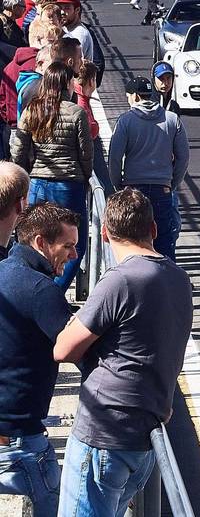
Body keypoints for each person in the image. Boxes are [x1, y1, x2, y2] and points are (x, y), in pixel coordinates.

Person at [53, 188, 193, 517]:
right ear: (153, 229)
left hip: (104, 431)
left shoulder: (120, 280)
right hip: (144, 435)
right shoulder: (179, 279)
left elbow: (63, 349)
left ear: (104, 233)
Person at [0, 186, 76, 517]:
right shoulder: (41, 291)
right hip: (21, 444)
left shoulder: (4, 273)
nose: (73, 255)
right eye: (68, 246)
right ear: (41, 243)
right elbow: (82, 353)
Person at [10, 62, 92, 290]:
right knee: (75, 244)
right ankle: (55, 291)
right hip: (69, 184)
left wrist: (24, 176)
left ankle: (33, 289)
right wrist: (85, 177)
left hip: (37, 182)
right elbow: (86, 154)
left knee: (34, 240)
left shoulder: (32, 110)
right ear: (66, 83)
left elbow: (18, 149)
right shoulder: (76, 113)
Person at [106, 77, 188, 261]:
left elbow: (114, 158)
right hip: (162, 189)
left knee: (134, 239)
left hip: (134, 189)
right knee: (164, 240)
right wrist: (171, 183)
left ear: (135, 96)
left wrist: (118, 185)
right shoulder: (171, 119)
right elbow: (183, 157)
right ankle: (167, 276)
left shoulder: (125, 121)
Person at [55, 0, 95, 67]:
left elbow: (75, 65)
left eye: (67, 8)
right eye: (60, 8)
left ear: (77, 10)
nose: (62, 12)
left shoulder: (80, 34)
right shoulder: (64, 28)